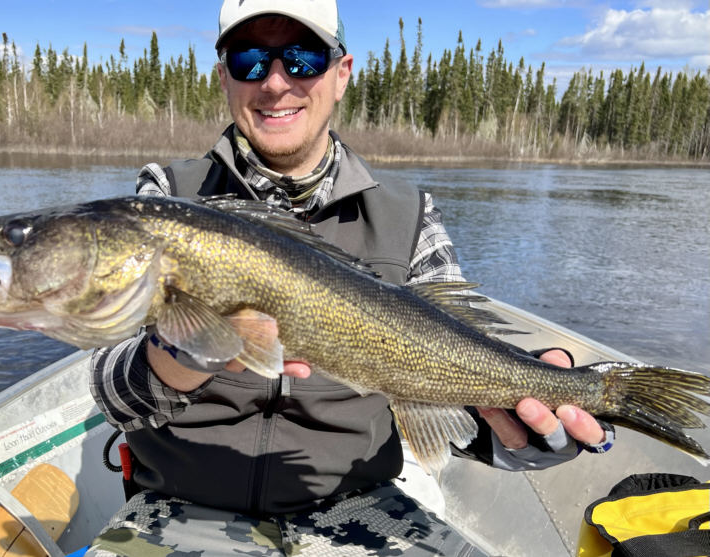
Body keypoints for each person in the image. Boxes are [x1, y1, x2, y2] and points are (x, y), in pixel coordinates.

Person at [86, 1, 615, 555]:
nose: (274, 82)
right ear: (224, 78)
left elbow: (462, 402)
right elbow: (109, 393)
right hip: (179, 504)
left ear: (341, 74)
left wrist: (533, 436)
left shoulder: (410, 217)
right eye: (248, 60)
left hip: (362, 506)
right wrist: (182, 357)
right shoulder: (167, 203)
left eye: (302, 58)